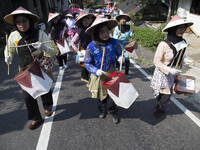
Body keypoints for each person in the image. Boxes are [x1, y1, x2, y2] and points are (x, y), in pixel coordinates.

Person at [4, 6, 56, 129]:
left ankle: (47, 106)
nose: (21, 24)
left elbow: (53, 51)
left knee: (45, 88)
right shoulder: (13, 36)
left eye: (24, 20)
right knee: (28, 96)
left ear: (30, 20)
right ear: (15, 23)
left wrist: (44, 48)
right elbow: (9, 51)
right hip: (24, 69)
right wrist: (8, 57)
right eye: (18, 21)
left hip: (39, 67)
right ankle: (36, 118)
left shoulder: (40, 34)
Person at [150, 15, 193, 118]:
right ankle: (158, 106)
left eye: (183, 27)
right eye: (179, 27)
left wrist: (185, 60)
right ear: (173, 29)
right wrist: (169, 69)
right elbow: (156, 61)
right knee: (165, 95)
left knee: (166, 93)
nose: (182, 30)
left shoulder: (183, 43)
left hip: (173, 73)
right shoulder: (164, 44)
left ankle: (159, 106)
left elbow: (181, 55)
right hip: (163, 73)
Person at [84, 16, 123, 124]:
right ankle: (102, 110)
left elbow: (120, 53)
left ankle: (113, 112)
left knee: (112, 96)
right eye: (102, 31)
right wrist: (95, 71)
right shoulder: (91, 46)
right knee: (101, 98)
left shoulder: (114, 42)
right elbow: (87, 62)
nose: (105, 33)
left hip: (112, 72)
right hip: (99, 74)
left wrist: (120, 58)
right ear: (97, 33)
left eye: (107, 31)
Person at [71, 11, 96, 83]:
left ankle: (89, 76)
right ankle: (85, 77)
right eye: (84, 20)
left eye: (87, 20)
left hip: (91, 48)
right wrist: (77, 51)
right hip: (83, 49)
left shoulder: (91, 28)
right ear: (81, 22)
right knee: (85, 64)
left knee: (92, 63)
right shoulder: (80, 31)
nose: (86, 21)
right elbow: (72, 42)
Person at [113, 14, 134, 79]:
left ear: (126, 20)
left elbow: (130, 35)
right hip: (118, 45)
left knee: (127, 58)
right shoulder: (117, 28)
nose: (123, 20)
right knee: (117, 58)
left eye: (124, 19)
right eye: (122, 19)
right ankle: (116, 72)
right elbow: (114, 37)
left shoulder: (128, 27)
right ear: (119, 20)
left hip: (125, 45)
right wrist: (118, 36)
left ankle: (126, 73)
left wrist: (132, 33)